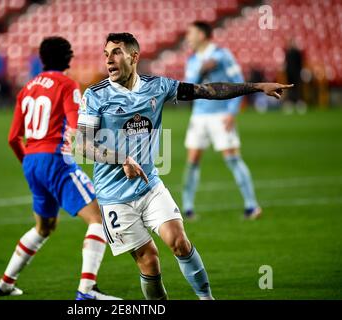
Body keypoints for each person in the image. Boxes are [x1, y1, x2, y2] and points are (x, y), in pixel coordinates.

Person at [76, 32, 292, 300]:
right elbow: (83, 146)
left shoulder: (158, 86)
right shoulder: (95, 95)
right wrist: (123, 159)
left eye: (116, 52)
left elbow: (208, 91)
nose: (109, 59)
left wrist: (257, 87)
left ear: (134, 57)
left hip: (149, 186)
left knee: (179, 242)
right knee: (150, 261)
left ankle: (207, 298)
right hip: (114, 197)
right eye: (106, 53)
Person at [0, 36, 120, 300]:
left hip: (32, 162)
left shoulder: (27, 88)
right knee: (99, 219)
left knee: (44, 227)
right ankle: (87, 291)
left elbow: (13, 137)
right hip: (55, 160)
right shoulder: (67, 84)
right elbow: (76, 127)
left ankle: (4, 284)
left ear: (42, 59)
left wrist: (29, 162)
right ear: (68, 59)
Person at [182, 21, 262, 220]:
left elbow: (239, 81)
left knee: (232, 158)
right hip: (199, 116)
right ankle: (187, 208)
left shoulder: (223, 55)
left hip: (220, 115)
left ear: (202, 35)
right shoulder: (192, 59)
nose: (187, 37)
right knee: (192, 161)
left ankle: (252, 206)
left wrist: (232, 112)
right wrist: (202, 69)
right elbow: (189, 85)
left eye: (190, 33)